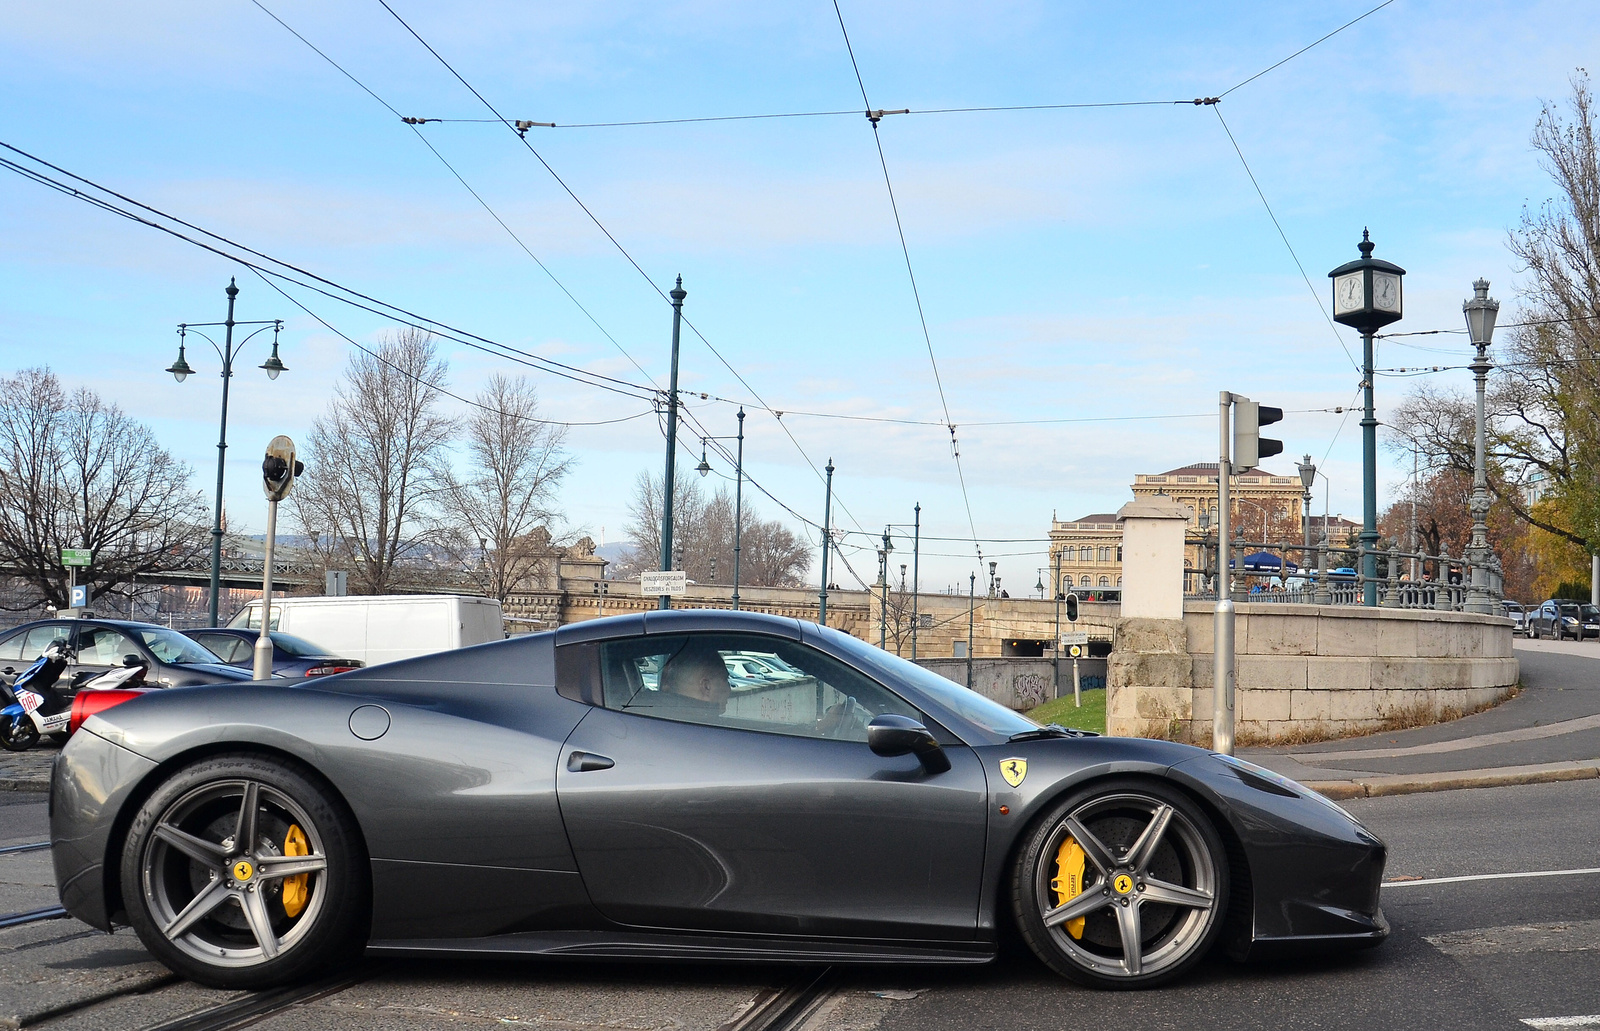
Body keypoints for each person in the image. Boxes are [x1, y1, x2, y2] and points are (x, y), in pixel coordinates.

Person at [656, 643, 732, 715]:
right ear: (706, 686)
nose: (729, 690)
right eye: (726, 679)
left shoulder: (654, 717)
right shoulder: (705, 726)